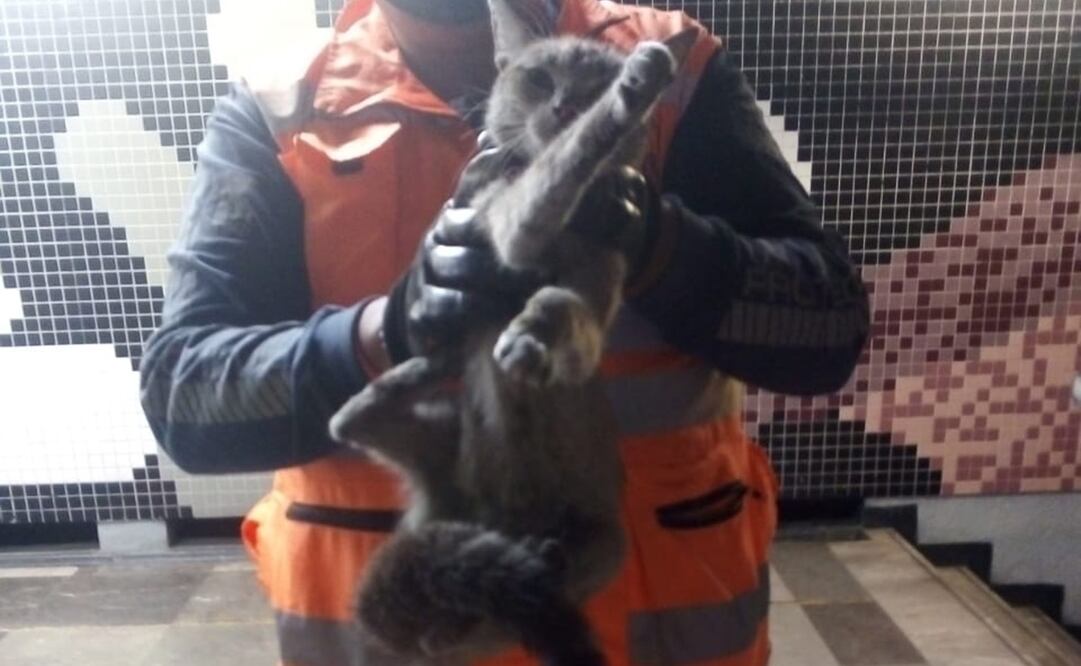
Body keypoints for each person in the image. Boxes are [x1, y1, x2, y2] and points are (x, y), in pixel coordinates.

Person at [139, 0, 870, 664]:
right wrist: (380, 333)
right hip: (405, 633)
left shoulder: (671, 68)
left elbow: (825, 328)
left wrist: (655, 244)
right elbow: (186, 400)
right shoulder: (280, 105)